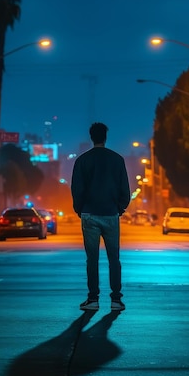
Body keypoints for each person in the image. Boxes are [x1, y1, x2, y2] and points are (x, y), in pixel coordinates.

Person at [71, 122, 131, 312]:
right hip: (110, 214)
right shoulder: (117, 160)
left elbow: (77, 189)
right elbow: (125, 191)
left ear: (91, 137)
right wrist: (118, 209)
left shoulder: (82, 161)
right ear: (105, 137)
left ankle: (93, 299)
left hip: (89, 214)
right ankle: (116, 299)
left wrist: (80, 209)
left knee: (92, 259)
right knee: (114, 259)